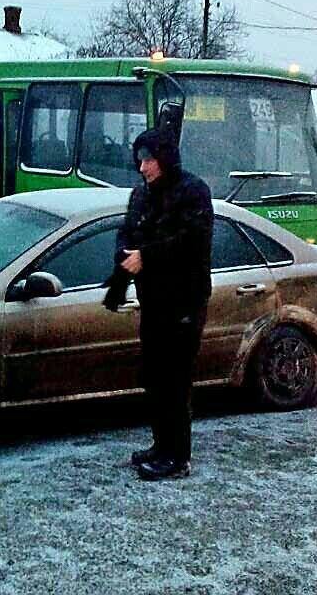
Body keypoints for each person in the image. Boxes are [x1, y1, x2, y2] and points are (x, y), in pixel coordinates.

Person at [103, 126, 213, 481]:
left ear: (164, 159)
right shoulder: (142, 194)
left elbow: (191, 242)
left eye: (148, 160)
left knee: (175, 380)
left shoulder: (193, 192)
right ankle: (160, 444)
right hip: (153, 300)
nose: (143, 168)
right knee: (154, 377)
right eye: (140, 160)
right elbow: (128, 230)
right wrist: (123, 260)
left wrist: (145, 257)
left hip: (184, 302)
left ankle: (177, 456)